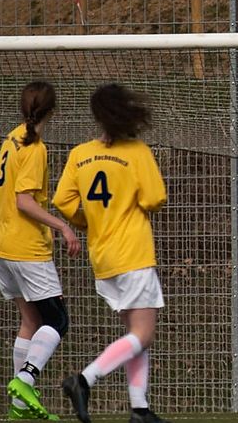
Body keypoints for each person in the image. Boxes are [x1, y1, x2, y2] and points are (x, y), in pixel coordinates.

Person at [53, 83, 169, 423]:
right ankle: (84, 380)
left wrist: (88, 220)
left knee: (135, 335)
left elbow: (63, 200)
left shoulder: (80, 154)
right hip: (133, 252)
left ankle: (139, 409)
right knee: (143, 334)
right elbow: (154, 198)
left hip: (103, 256)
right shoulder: (136, 151)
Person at [0, 82, 80, 420]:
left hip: (0, 245)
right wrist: (62, 226)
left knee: (30, 320)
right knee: (58, 320)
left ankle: (19, 411)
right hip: (25, 248)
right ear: (52, 111)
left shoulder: (11, 138)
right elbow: (24, 201)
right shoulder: (35, 148)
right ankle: (26, 379)